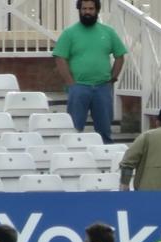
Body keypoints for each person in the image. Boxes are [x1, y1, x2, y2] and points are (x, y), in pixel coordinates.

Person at [53, 0, 127, 146]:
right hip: (78, 87)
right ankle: (73, 157)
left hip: (102, 88)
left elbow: (120, 56)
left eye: (91, 8)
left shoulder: (108, 32)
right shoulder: (69, 33)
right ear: (79, 10)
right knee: (74, 129)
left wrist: (112, 79)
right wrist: (70, 82)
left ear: (97, 10)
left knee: (105, 131)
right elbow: (60, 58)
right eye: (84, 8)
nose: (87, 12)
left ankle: (106, 159)